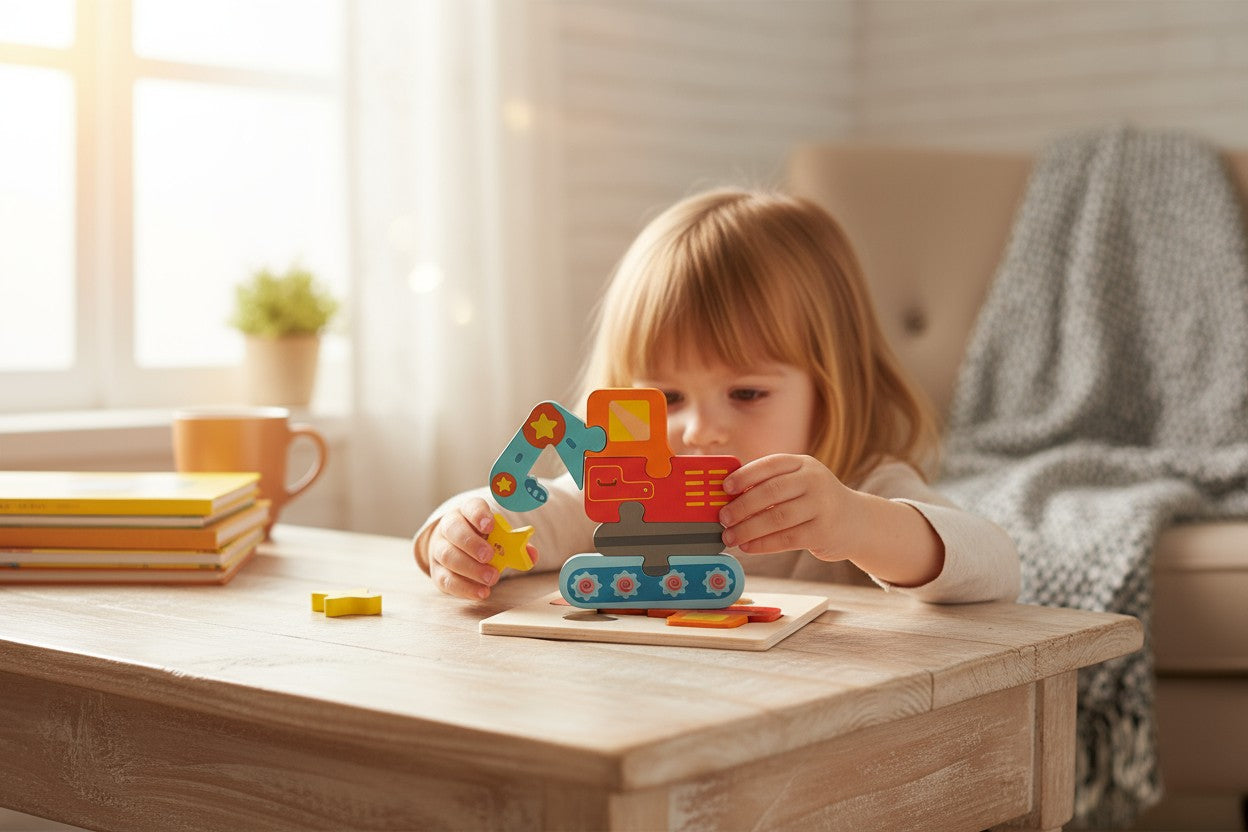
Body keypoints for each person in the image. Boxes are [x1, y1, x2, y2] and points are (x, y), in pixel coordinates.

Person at [413, 188, 1020, 603]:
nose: (700, 429)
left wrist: (854, 523)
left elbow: (996, 565)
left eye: (748, 392)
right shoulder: (629, 494)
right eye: (668, 398)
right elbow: (532, 511)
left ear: (830, 389)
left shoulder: (858, 486)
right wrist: (461, 532)